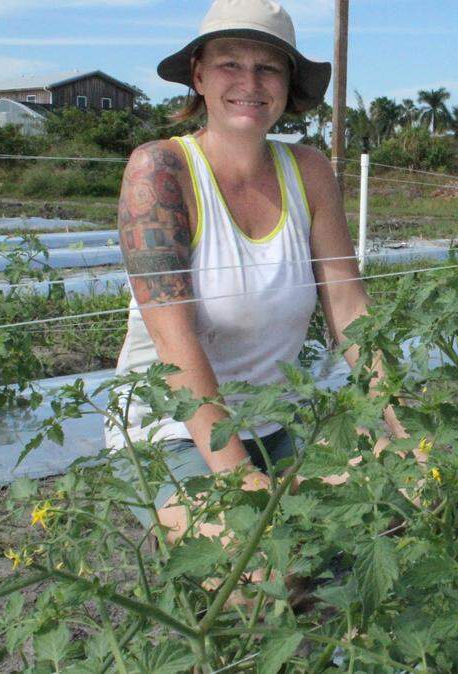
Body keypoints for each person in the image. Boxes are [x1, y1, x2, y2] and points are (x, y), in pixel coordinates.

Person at [104, 0, 405, 537]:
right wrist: (239, 476)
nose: (250, 81)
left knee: (400, 498)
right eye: (229, 64)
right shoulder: (161, 171)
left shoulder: (308, 171)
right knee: (258, 566)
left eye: (268, 67)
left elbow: (350, 307)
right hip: (173, 431)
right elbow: (174, 348)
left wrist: (407, 424)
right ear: (198, 76)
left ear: (288, 84)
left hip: (277, 423)